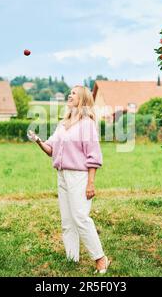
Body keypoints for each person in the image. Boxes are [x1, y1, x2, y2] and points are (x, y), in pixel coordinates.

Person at [28, 85, 111, 274]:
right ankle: (71, 259)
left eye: (73, 93)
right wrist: (39, 141)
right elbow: (51, 150)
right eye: (70, 92)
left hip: (79, 176)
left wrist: (91, 182)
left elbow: (94, 156)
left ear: (82, 99)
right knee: (67, 221)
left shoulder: (87, 124)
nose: (69, 95)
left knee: (80, 217)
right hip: (62, 175)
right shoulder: (62, 124)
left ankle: (100, 258)